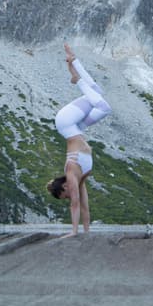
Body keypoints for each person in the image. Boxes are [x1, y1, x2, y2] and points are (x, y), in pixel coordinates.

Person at [47, 43, 111, 235]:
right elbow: (84, 206)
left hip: (65, 122)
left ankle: (77, 79)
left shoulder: (71, 175)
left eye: (64, 194)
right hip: (74, 127)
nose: (68, 196)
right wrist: (86, 232)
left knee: (104, 107)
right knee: (97, 93)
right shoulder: (80, 179)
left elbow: (74, 205)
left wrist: (73, 232)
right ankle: (74, 62)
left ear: (64, 187)